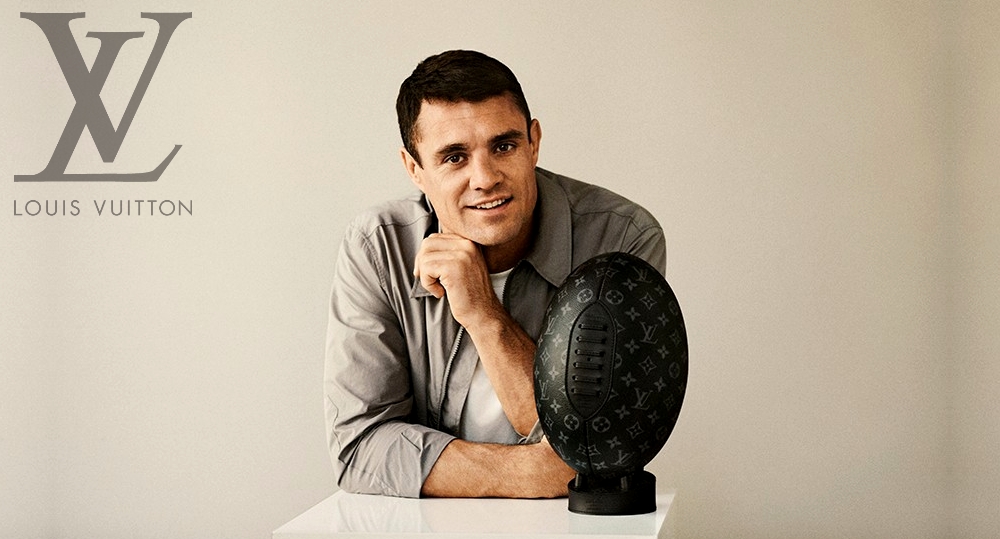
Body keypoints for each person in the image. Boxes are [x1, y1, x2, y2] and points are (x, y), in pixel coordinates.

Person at [324, 49, 666, 499]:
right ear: (415, 169)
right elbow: (360, 447)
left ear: (534, 142)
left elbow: (603, 447)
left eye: (503, 146)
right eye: (454, 157)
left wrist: (484, 315)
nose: (484, 178)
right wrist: (533, 473)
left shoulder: (620, 240)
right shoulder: (378, 246)